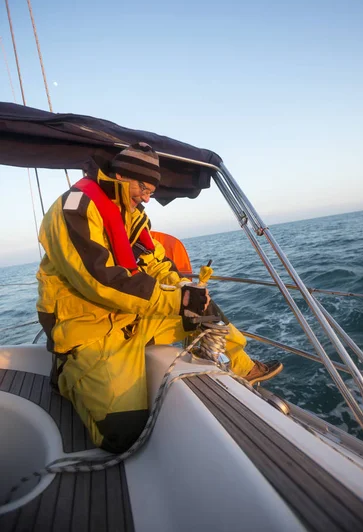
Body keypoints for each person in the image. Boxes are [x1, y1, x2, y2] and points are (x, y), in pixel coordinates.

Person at [37, 142, 283, 453]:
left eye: (152, 189)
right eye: (144, 187)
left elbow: (154, 262)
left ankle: (242, 365)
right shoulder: (74, 207)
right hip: (89, 327)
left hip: (130, 316)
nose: (147, 196)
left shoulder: (133, 215)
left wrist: (185, 291)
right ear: (123, 176)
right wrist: (175, 300)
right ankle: (64, 375)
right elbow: (98, 280)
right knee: (122, 435)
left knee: (202, 309)